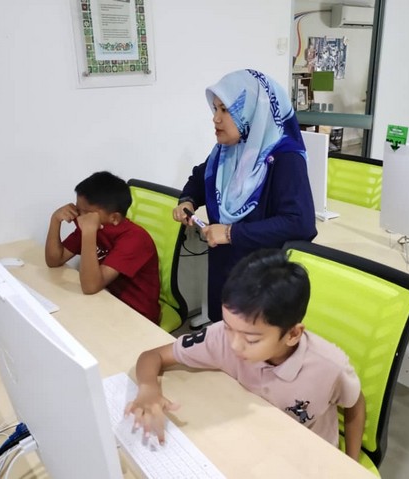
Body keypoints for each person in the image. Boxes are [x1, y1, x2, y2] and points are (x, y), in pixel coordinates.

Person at [125, 249, 365, 462]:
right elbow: (152, 356)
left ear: (293, 334)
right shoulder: (221, 336)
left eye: (251, 339)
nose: (234, 345)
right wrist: (148, 388)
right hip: (251, 440)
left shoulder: (329, 366)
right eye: (229, 326)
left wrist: (352, 463)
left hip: (307, 457)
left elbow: (355, 404)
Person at [173, 69, 317, 327]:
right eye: (215, 108)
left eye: (225, 110)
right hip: (226, 269)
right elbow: (200, 177)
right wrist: (188, 200)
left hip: (262, 281)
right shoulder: (227, 150)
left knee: (251, 342)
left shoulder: (285, 158)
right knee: (225, 333)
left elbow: (300, 223)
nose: (215, 118)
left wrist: (231, 233)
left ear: (252, 111)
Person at [45, 171, 161, 324]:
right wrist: (55, 220)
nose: (79, 217)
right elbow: (54, 260)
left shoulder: (135, 239)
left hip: (138, 315)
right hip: (105, 299)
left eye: (86, 212)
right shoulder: (92, 225)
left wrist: (88, 233)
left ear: (114, 217)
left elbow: (90, 286)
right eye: (78, 209)